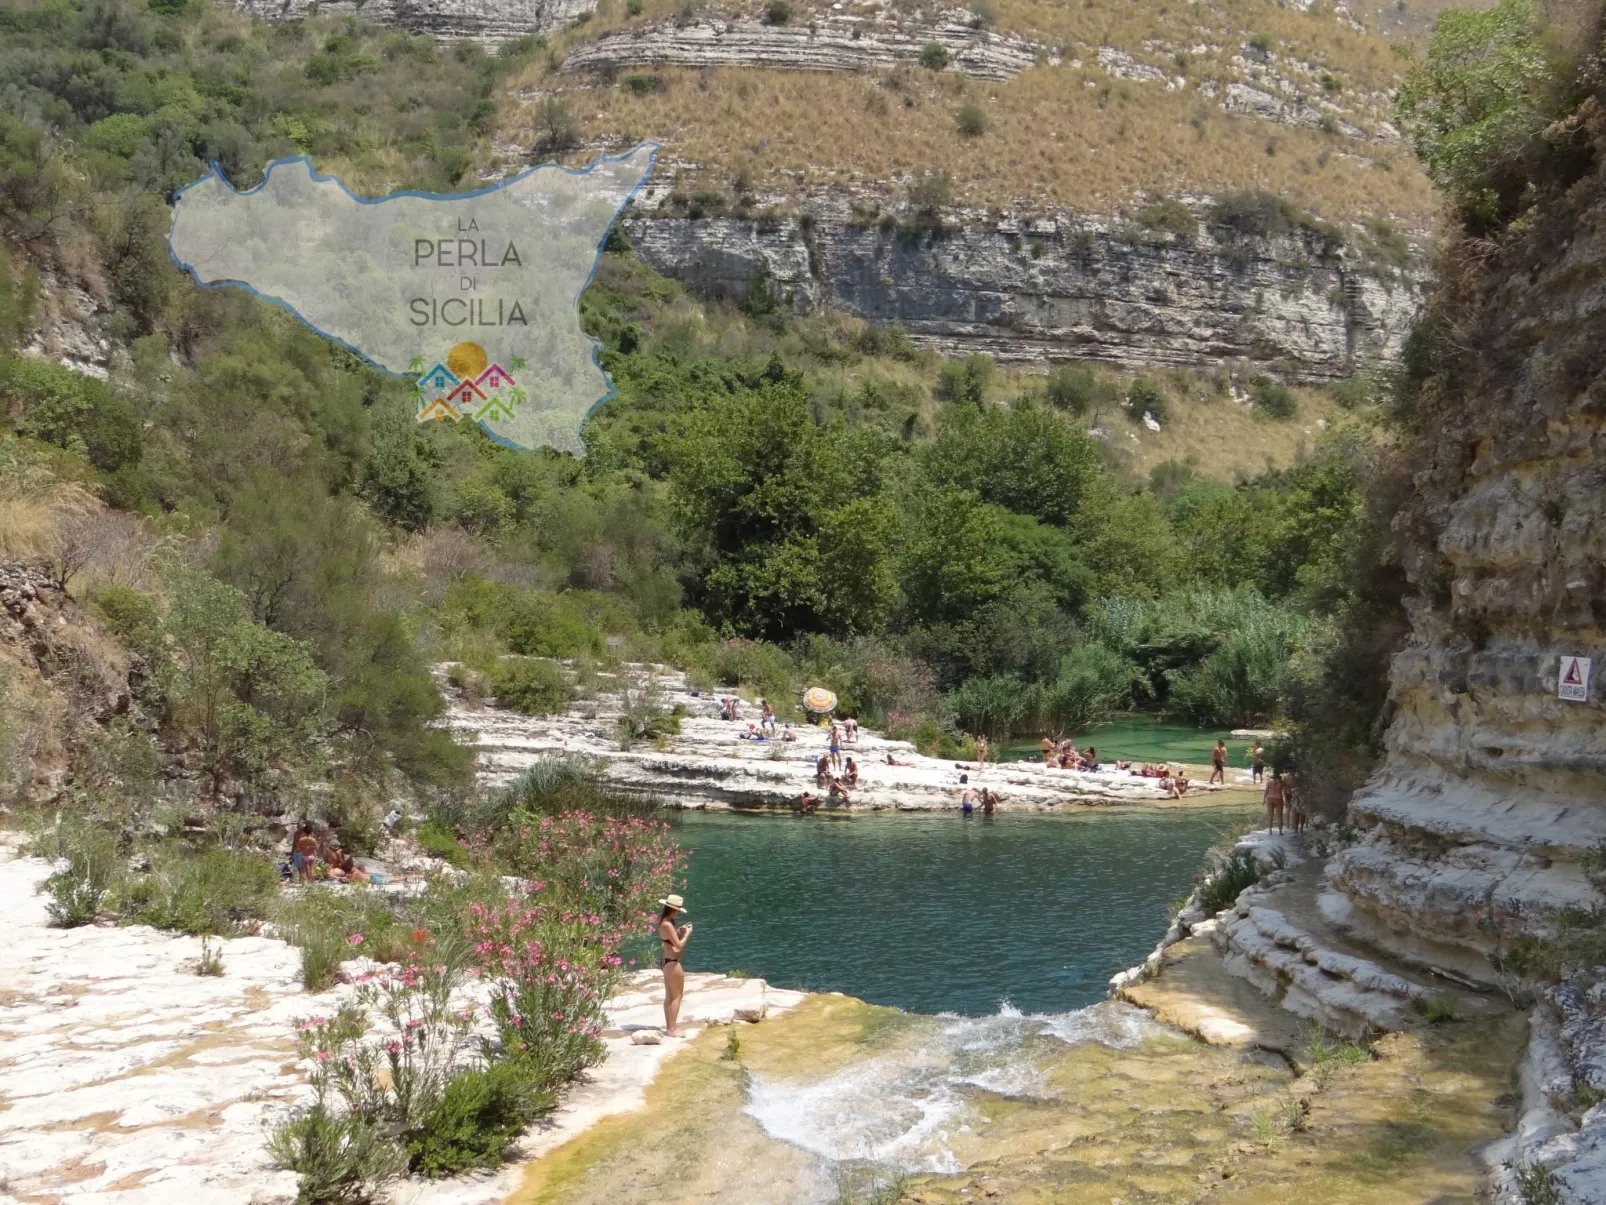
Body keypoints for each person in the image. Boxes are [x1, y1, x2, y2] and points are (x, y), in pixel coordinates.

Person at [657, 894, 693, 1037]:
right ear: (673, 909)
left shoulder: (664, 922)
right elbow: (678, 946)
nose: (678, 912)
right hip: (672, 963)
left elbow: (669, 939)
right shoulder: (667, 924)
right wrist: (687, 934)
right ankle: (672, 1029)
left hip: (666, 962)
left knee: (670, 996)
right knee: (677, 996)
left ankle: (669, 1028)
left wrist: (679, 931)